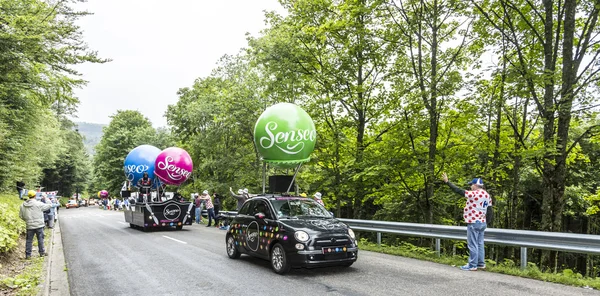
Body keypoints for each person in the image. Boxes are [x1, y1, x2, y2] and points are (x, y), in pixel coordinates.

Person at [442, 173, 492, 271]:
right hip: (482, 222)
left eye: (471, 185)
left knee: (472, 244)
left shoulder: (474, 194)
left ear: (475, 185)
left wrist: (447, 182)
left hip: (474, 221)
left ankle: (472, 264)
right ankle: (481, 263)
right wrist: (487, 222)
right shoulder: (487, 195)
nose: (470, 187)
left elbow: (459, 191)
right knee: (480, 243)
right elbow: (490, 210)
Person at [19, 190, 52, 259]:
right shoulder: (39, 204)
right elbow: (49, 205)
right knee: (40, 239)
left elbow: (21, 216)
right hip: (39, 225)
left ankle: (28, 255)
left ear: (28, 196)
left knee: (29, 240)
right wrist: (46, 198)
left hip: (29, 226)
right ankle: (42, 253)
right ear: (35, 196)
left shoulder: (22, 205)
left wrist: (27, 220)